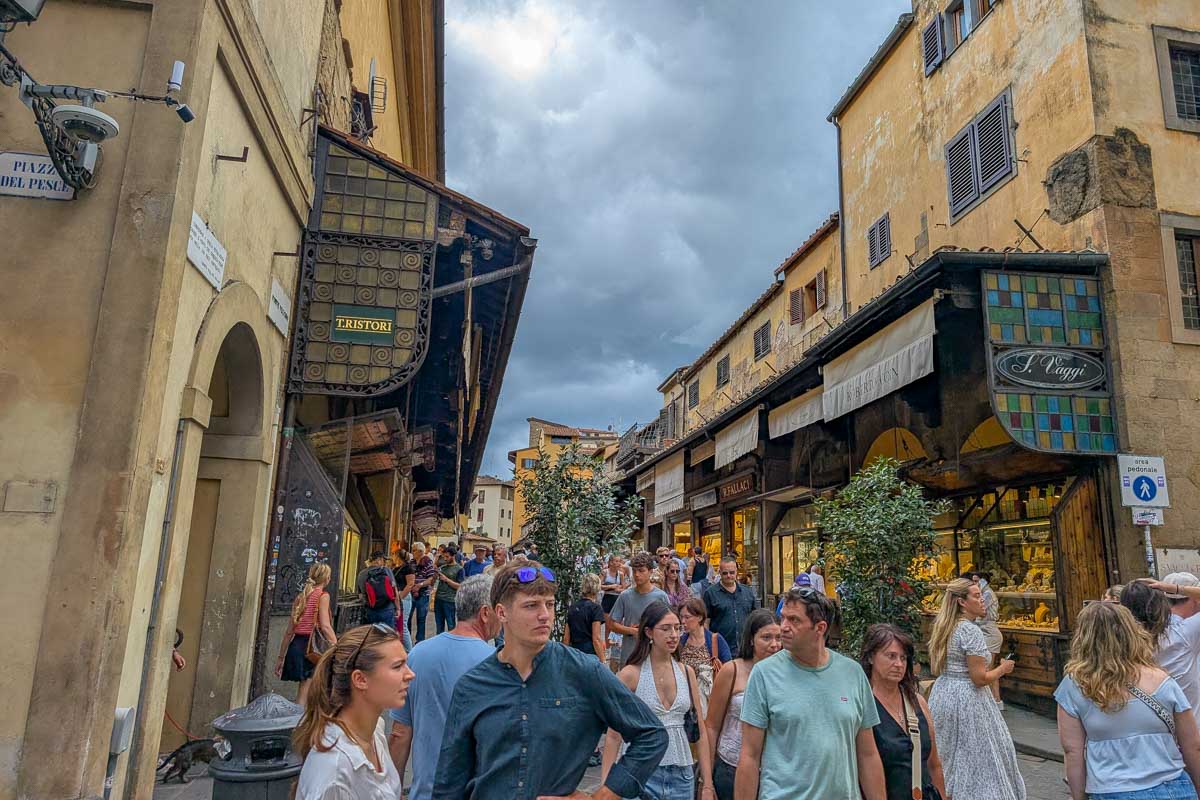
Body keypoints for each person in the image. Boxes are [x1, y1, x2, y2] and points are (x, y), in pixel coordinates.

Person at [432, 562, 668, 799]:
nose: (544, 615)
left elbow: (651, 734)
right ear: (502, 613)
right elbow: (449, 782)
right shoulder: (473, 686)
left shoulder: (583, 672)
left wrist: (602, 796)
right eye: (531, 605)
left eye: (550, 604)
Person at [736, 586, 886, 800]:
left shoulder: (852, 673)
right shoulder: (764, 674)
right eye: (783, 618)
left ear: (820, 628)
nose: (784, 627)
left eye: (794, 620)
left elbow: (868, 754)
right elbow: (749, 756)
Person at [1057, 600, 1200, 799]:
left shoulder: (1074, 686)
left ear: (1083, 637)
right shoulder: (1162, 680)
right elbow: (1192, 745)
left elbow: (1072, 752)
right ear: (1132, 633)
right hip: (1172, 786)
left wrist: (1078, 795)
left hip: (1112, 789)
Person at [389, 575, 498, 800]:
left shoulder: (418, 654)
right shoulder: (495, 664)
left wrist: (392, 789)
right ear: (485, 613)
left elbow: (400, 733)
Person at [602, 601, 715, 800]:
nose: (673, 635)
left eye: (677, 628)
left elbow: (701, 731)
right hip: (639, 773)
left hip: (681, 773)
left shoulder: (686, 672)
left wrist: (707, 784)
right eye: (666, 628)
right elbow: (613, 735)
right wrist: (605, 786)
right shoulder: (630, 675)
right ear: (649, 632)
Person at [927, 578, 1025, 800]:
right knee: (977, 756)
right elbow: (980, 678)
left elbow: (937, 667)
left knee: (948, 753)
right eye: (977, 596)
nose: (983, 600)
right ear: (962, 602)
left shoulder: (945, 626)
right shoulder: (970, 631)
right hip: (968, 699)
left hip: (944, 694)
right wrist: (1002, 668)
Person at [293, 623, 413, 800]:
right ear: (360, 679)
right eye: (397, 666)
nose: (410, 674)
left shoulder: (373, 732)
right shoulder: (334, 773)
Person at [860, 623, 948, 800]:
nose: (898, 664)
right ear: (871, 657)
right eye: (891, 656)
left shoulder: (917, 702)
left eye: (903, 658)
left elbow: (934, 764)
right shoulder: (862, 705)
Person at [704, 609, 780, 800]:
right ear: (752, 639)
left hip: (774, 771)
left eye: (778, 638)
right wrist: (706, 780)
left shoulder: (786, 674)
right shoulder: (733, 670)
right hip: (731, 767)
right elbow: (712, 726)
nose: (774, 644)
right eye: (766, 637)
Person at [1124, 577, 1200, 720]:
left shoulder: (1120, 642)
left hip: (1146, 734)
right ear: (1161, 604)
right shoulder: (1183, 633)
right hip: (1187, 733)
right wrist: (1177, 589)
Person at [277, 562, 337, 706]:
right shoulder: (323, 596)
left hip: (296, 644)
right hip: (312, 647)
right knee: (306, 692)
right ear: (327, 579)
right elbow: (325, 625)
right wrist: (337, 645)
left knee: (305, 688)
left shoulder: (300, 597)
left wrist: (281, 657)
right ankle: (300, 724)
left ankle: (301, 722)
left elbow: (289, 631)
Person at [608, 553, 670, 666]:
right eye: (634, 571)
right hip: (630, 653)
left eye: (641, 571)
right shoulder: (625, 596)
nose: (636, 575)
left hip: (654, 654)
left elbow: (669, 624)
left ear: (650, 572)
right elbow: (612, 624)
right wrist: (631, 631)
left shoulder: (661, 596)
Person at [677, 597, 730, 710]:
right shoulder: (680, 642)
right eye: (681, 617)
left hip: (710, 701)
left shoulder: (716, 640)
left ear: (700, 617)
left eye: (687, 617)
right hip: (685, 701)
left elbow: (729, 670)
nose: (683, 621)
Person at [704, 557, 759, 653]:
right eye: (725, 573)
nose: (729, 576)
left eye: (732, 572)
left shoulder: (747, 592)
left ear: (737, 572)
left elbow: (755, 618)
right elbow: (705, 622)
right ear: (719, 572)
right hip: (721, 649)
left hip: (745, 647)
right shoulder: (710, 593)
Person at [967, 570, 1005, 708]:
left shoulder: (987, 594)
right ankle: (995, 700)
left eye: (977, 581)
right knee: (988, 667)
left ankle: (995, 700)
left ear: (984, 581)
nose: (974, 583)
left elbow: (982, 615)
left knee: (988, 668)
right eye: (973, 581)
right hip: (984, 631)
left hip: (990, 632)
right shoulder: (982, 594)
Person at [566, 573, 607, 660]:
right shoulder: (596, 608)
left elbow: (566, 637)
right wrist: (603, 660)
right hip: (589, 652)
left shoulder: (573, 607)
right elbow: (596, 639)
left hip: (574, 651)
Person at [357, 551, 402, 629]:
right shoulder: (386, 570)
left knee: (373, 636)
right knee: (388, 636)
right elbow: (395, 592)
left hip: (371, 610)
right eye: (383, 560)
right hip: (387, 608)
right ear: (379, 560)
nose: (384, 563)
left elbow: (361, 595)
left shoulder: (362, 574)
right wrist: (398, 608)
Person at [433, 548, 464, 634]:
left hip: (450, 600)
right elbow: (433, 582)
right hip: (439, 598)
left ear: (453, 556)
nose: (445, 559)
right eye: (444, 557)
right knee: (439, 626)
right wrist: (435, 575)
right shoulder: (442, 567)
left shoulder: (459, 569)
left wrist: (446, 580)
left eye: (447, 557)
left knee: (451, 625)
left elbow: (460, 586)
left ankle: (452, 644)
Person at [409, 542, 436, 641]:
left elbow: (431, 579)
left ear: (420, 551)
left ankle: (419, 641)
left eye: (414, 550)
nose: (412, 552)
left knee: (421, 619)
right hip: (411, 593)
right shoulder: (411, 562)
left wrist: (419, 585)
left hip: (423, 594)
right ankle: (407, 639)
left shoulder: (428, 562)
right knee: (408, 617)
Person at [393, 550, 416, 650]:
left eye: (394, 555)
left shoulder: (408, 568)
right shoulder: (396, 568)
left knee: (403, 624)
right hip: (398, 596)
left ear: (398, 556)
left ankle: (409, 650)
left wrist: (400, 597)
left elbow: (410, 584)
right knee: (398, 623)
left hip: (404, 597)